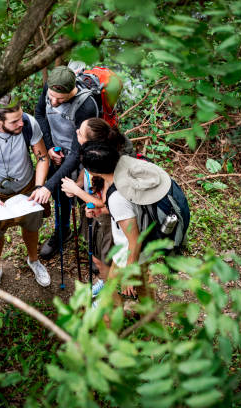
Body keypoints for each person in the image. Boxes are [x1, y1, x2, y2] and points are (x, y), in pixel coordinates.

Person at [0, 94, 51, 296]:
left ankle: (34, 260)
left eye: (21, 117)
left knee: (31, 226)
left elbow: (42, 157)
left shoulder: (28, 123)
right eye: (14, 121)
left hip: (27, 187)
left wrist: (39, 187)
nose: (21, 123)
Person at [80, 142, 162, 306]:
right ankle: (147, 319)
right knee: (138, 290)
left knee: (123, 294)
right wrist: (102, 211)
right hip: (139, 248)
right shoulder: (124, 170)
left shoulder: (117, 196)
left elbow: (134, 240)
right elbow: (130, 210)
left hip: (131, 254)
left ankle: (114, 324)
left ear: (93, 172)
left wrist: (129, 274)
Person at [60, 118, 132, 297]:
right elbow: (87, 171)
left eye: (80, 133)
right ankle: (103, 281)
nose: (76, 132)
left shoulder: (112, 167)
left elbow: (108, 202)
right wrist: (78, 185)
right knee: (96, 257)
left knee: (106, 259)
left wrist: (76, 191)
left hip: (110, 220)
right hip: (93, 210)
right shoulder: (94, 156)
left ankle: (110, 293)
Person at [35, 65, 101, 259]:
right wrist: (48, 147)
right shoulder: (50, 87)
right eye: (51, 97)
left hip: (81, 157)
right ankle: (62, 233)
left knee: (85, 198)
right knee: (60, 196)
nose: (53, 102)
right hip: (57, 151)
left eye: (60, 99)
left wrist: (47, 186)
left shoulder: (86, 106)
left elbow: (76, 153)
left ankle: (93, 241)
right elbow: (40, 114)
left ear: (71, 90)